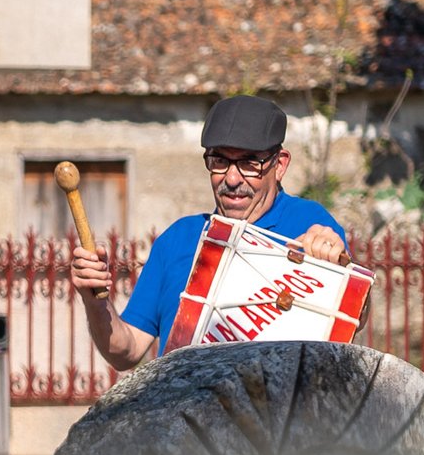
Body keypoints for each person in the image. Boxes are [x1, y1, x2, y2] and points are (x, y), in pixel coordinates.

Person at [70, 95, 349, 369]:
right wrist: (94, 300)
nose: (231, 178)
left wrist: (338, 265)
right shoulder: (177, 239)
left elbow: (353, 318)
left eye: (250, 163)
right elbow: (126, 351)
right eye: (219, 161)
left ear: (280, 165)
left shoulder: (309, 224)